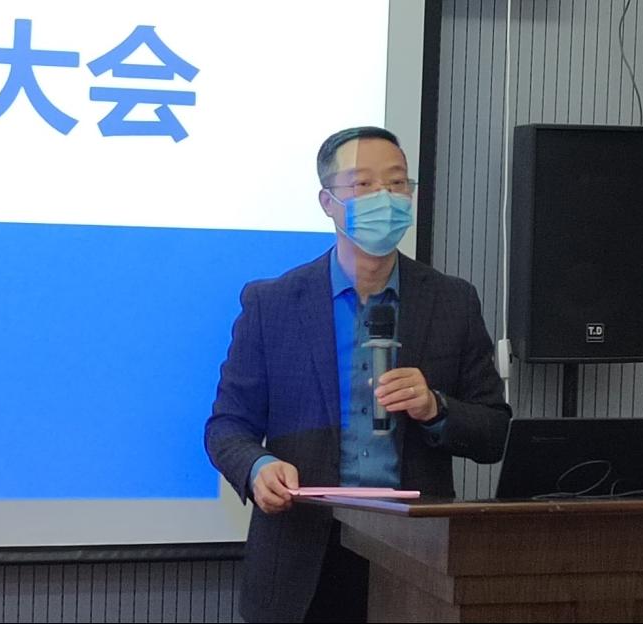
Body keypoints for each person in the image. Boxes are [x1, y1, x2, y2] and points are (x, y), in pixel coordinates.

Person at [204, 126, 511, 623]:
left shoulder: (452, 301)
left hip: (417, 556)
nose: (384, 198)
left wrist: (436, 408)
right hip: (302, 554)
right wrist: (258, 467)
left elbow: (493, 432)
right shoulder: (273, 304)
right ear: (328, 202)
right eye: (364, 184)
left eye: (397, 183)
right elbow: (227, 427)